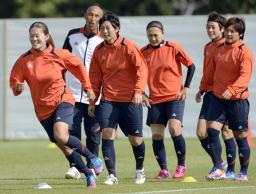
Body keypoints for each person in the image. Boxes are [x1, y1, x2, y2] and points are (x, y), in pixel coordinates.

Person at [9, 21, 103, 188]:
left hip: (62, 101)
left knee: (61, 135)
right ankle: (88, 172)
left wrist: (88, 88)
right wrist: (17, 87)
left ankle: (92, 158)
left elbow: (79, 67)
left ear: (46, 36)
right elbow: (15, 82)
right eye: (31, 36)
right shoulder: (24, 60)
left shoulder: (59, 54)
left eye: (37, 35)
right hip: (42, 110)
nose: (34, 38)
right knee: (64, 146)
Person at [89, 12, 148, 185]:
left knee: (135, 139)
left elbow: (142, 69)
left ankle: (140, 170)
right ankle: (112, 175)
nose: (105, 31)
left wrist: (139, 91)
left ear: (117, 29)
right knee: (107, 134)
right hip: (109, 100)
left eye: (108, 28)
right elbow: (95, 77)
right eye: (102, 28)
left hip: (131, 99)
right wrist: (93, 101)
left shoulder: (129, 46)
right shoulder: (99, 51)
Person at [141, 20, 195, 179]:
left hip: (174, 97)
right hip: (155, 99)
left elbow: (191, 66)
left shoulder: (173, 48)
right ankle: (164, 170)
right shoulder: (143, 52)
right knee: (157, 135)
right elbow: (135, 74)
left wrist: (186, 87)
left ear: (162, 34)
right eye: (150, 35)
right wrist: (142, 93)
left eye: (156, 35)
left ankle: (181, 165)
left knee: (174, 129)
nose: (153, 38)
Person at [205, 17, 254, 181]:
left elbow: (245, 76)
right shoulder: (218, 48)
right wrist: (202, 88)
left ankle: (242, 172)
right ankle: (219, 167)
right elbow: (211, 72)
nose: (228, 33)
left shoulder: (244, 51)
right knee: (212, 130)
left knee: (239, 135)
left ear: (240, 34)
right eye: (227, 30)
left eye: (232, 31)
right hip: (218, 98)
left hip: (237, 100)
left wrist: (231, 90)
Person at [62, 4, 103, 179]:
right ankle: (75, 166)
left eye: (96, 16)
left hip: (96, 96)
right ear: (85, 15)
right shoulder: (72, 35)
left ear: (100, 18)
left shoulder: (104, 39)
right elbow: (61, 60)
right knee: (72, 133)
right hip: (72, 94)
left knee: (93, 134)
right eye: (90, 14)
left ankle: (92, 167)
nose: (93, 18)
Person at [195, 12, 237, 180]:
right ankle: (220, 163)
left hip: (224, 95)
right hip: (210, 94)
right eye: (208, 27)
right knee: (201, 132)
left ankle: (229, 170)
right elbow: (208, 71)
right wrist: (202, 89)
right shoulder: (208, 47)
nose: (210, 30)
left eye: (213, 27)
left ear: (222, 29)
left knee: (226, 132)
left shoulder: (227, 46)